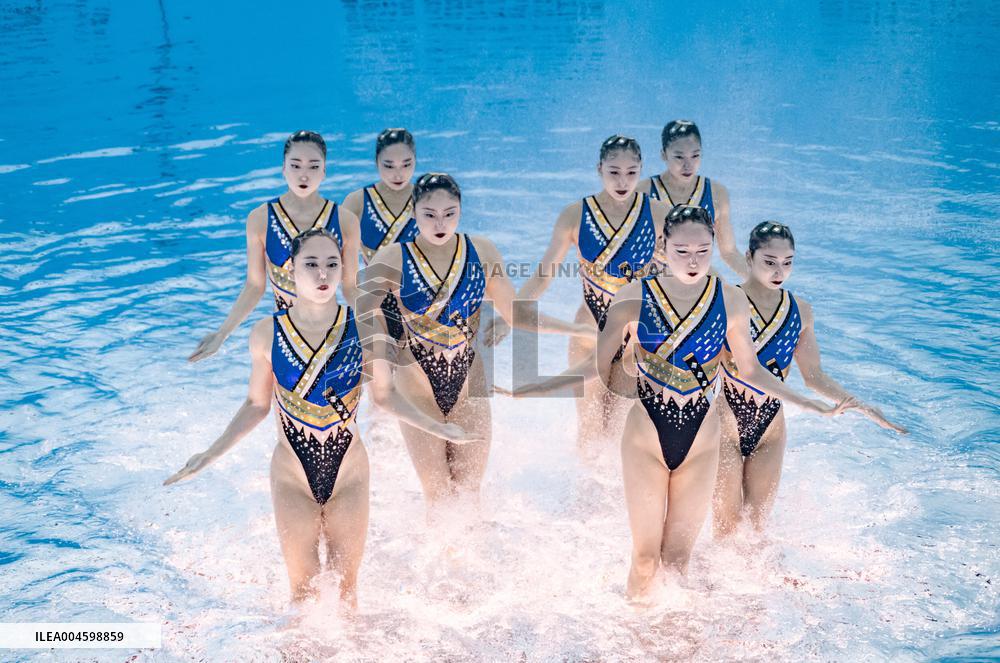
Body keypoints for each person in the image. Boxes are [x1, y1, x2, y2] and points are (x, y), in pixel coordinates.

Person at [502, 205, 848, 600]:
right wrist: (533, 388)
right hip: (646, 430)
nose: (694, 260)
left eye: (703, 251)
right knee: (647, 559)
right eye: (682, 251)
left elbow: (751, 370)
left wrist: (808, 403)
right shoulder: (634, 297)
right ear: (663, 246)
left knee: (678, 561)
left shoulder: (731, 301)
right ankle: (630, 633)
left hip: (702, 437)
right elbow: (594, 367)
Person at [165, 228, 477, 607]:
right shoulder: (267, 333)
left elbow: (386, 396)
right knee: (303, 590)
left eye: (332, 264)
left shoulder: (364, 328)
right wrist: (208, 455)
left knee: (347, 590)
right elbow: (256, 405)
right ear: (290, 269)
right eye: (311, 264)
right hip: (292, 478)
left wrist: (437, 426)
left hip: (350, 475)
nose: (323, 274)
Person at [358, 173, 593, 516]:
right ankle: (439, 567)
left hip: (469, 387)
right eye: (429, 214)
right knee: (437, 495)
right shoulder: (392, 259)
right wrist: (380, 357)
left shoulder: (481, 251)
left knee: (469, 493)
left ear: (461, 210)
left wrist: (577, 330)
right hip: (416, 388)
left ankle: (472, 567)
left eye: (449, 213)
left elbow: (516, 313)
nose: (440, 222)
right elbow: (362, 314)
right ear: (413, 212)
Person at [713, 221, 907, 536]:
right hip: (726, 426)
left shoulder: (800, 311)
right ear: (749, 258)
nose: (779, 271)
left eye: (787, 263)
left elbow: (814, 376)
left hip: (770, 429)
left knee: (757, 526)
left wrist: (862, 407)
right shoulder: (727, 301)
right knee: (727, 524)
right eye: (770, 262)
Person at [485, 135, 671, 453]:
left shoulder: (659, 214)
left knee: (620, 430)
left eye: (631, 171)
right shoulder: (575, 215)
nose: (623, 180)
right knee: (590, 430)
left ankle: (615, 500)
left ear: (642, 169)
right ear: (599, 169)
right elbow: (544, 276)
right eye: (614, 171)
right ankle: (583, 499)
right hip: (590, 332)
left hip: (638, 339)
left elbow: (690, 263)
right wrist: (510, 317)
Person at [188, 130, 362, 362]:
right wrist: (222, 334)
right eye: (296, 165)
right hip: (284, 334)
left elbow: (350, 287)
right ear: (283, 169)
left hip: (330, 329)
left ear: (324, 171)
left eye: (313, 166)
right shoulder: (260, 219)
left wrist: (381, 326)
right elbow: (254, 286)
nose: (304, 175)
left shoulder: (345, 220)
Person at [341, 128, 420, 341]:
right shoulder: (357, 202)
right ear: (376, 162)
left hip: (422, 301)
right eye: (389, 165)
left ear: (415, 161)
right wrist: (363, 309)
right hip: (375, 300)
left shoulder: (427, 199)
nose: (398, 174)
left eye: (406, 164)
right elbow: (339, 264)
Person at [642, 120, 747, 278]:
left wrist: (758, 284)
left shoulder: (716, 194)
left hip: (695, 275)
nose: (688, 165)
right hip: (653, 278)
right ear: (663, 154)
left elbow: (729, 252)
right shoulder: (644, 192)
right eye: (679, 157)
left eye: (695, 156)